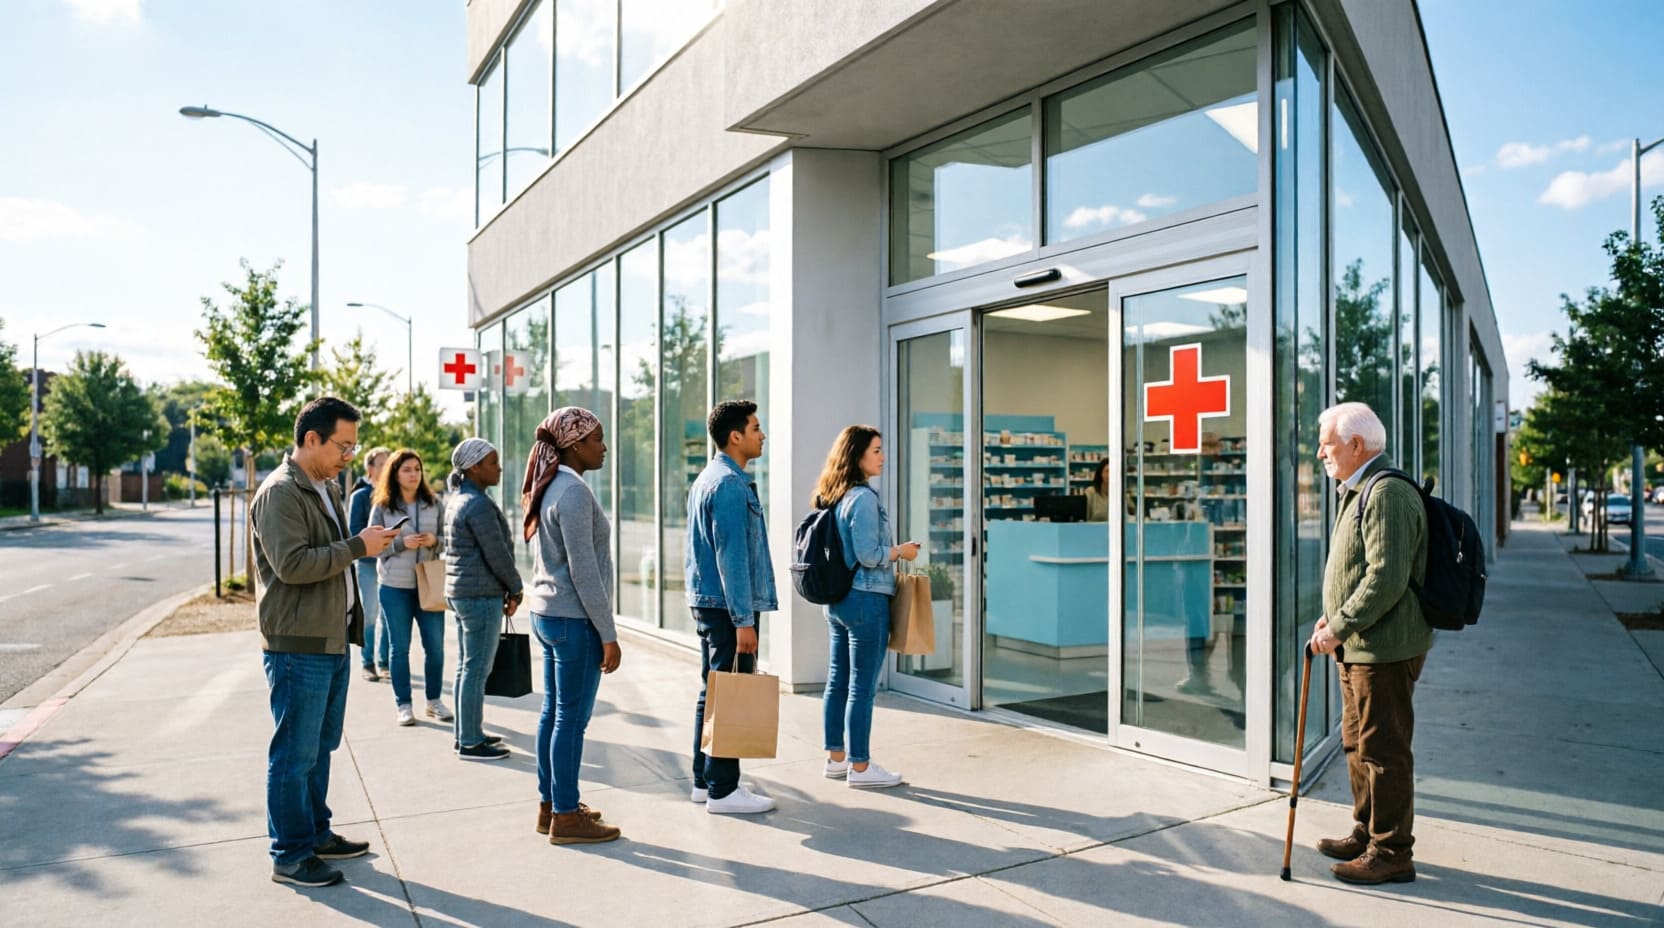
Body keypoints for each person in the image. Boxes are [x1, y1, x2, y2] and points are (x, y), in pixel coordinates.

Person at [252, 396, 399, 888]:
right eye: (343, 446)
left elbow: (330, 556)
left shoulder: (325, 486)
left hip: (330, 639)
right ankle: (290, 855)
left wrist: (365, 543)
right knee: (294, 755)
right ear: (311, 439)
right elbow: (293, 565)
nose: (349, 457)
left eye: (354, 447)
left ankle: (315, 834)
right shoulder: (280, 493)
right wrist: (359, 545)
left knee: (318, 748)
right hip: (298, 644)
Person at [1308, 401, 1431, 886]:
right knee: (1357, 744)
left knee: (1385, 750)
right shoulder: (1358, 490)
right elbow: (1360, 569)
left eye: (1327, 442)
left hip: (1383, 649)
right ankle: (1367, 830)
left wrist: (1340, 625)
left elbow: (1386, 577)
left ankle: (1392, 851)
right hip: (1359, 645)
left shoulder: (1386, 494)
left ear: (1356, 445)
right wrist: (1333, 616)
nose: (1321, 452)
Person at [522, 407, 622, 844]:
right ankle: (566, 815)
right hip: (572, 620)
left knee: (553, 715)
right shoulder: (574, 492)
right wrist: (609, 634)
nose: (604, 447)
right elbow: (585, 572)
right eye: (598, 439)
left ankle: (551, 805)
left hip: (548, 613)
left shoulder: (552, 484)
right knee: (570, 721)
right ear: (575, 444)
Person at [686, 399, 778, 815]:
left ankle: (705, 781)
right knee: (731, 692)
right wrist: (744, 621)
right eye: (756, 428)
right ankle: (724, 790)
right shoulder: (727, 484)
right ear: (735, 436)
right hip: (727, 608)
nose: (763, 435)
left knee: (716, 690)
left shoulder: (709, 478)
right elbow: (732, 558)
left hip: (712, 604)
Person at [813, 425, 917, 790]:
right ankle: (861, 767)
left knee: (837, 680)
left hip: (838, 601)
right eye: (875, 450)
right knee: (862, 687)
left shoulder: (835, 495)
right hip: (866, 599)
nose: (882, 456)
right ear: (857, 455)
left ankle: (836, 759)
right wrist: (901, 551)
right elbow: (870, 555)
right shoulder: (864, 499)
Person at [442, 438, 524, 761]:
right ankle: (472, 742)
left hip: (463, 593)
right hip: (479, 595)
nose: (499, 467)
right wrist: (516, 588)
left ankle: (466, 733)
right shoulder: (476, 504)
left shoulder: (460, 499)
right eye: (493, 462)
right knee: (476, 669)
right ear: (474, 467)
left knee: (467, 667)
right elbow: (498, 555)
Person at [370, 449, 450, 729]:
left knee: (435, 648)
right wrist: (403, 544)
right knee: (399, 648)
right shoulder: (382, 507)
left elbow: (449, 541)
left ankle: (434, 701)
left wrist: (433, 541)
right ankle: (403, 704)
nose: (414, 474)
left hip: (428, 585)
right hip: (395, 587)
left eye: (417, 468)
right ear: (395, 473)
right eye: (407, 469)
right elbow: (372, 547)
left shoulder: (434, 503)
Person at [348, 447, 393, 680]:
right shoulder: (360, 496)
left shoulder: (393, 495)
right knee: (370, 613)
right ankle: (367, 663)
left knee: (388, 614)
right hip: (367, 564)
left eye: (389, 463)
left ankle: (384, 662)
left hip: (390, 564)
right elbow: (353, 532)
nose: (386, 468)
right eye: (381, 464)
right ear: (370, 468)